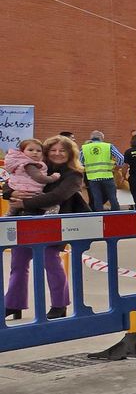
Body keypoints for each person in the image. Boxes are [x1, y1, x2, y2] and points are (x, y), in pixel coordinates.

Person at [5, 136, 86, 320]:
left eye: (62, 150)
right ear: (47, 152)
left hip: (53, 225)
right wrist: (11, 193)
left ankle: (59, 304)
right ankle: (13, 304)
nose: (57, 154)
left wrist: (23, 203)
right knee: (18, 264)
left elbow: (57, 196)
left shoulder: (73, 175)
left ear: (70, 153)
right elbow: (10, 183)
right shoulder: (37, 167)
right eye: (53, 150)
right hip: (25, 222)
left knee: (51, 262)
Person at [5, 138, 61, 211]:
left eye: (38, 151)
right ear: (22, 152)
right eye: (30, 150)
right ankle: (47, 220)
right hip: (29, 193)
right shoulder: (29, 164)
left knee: (12, 213)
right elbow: (39, 178)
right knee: (54, 207)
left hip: (19, 191)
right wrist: (53, 177)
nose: (35, 152)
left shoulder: (20, 163)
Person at [80, 130, 124, 211]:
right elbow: (120, 158)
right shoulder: (108, 146)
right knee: (112, 198)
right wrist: (117, 167)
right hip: (107, 176)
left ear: (91, 138)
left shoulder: (84, 148)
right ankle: (116, 214)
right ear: (101, 138)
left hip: (92, 178)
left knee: (97, 199)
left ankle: (99, 216)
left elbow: (80, 163)